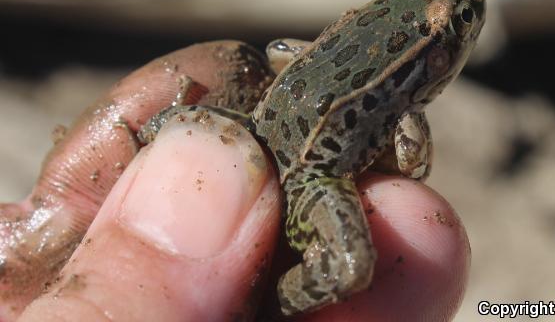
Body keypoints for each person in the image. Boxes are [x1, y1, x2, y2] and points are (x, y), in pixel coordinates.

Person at [3, 42, 470, 321]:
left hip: (259, 127)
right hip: (310, 173)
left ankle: (155, 144)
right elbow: (412, 163)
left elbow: (278, 51)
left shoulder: (314, 45)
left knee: (175, 120)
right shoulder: (413, 107)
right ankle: (276, 309)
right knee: (350, 267)